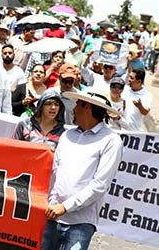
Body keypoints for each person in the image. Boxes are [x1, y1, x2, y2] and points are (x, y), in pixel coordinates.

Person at [41, 90, 123, 250]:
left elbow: (99, 185)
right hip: (51, 215)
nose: (73, 109)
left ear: (88, 108)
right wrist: (48, 202)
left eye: (78, 104)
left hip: (81, 222)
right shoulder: (67, 135)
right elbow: (54, 172)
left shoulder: (111, 141)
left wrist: (65, 207)